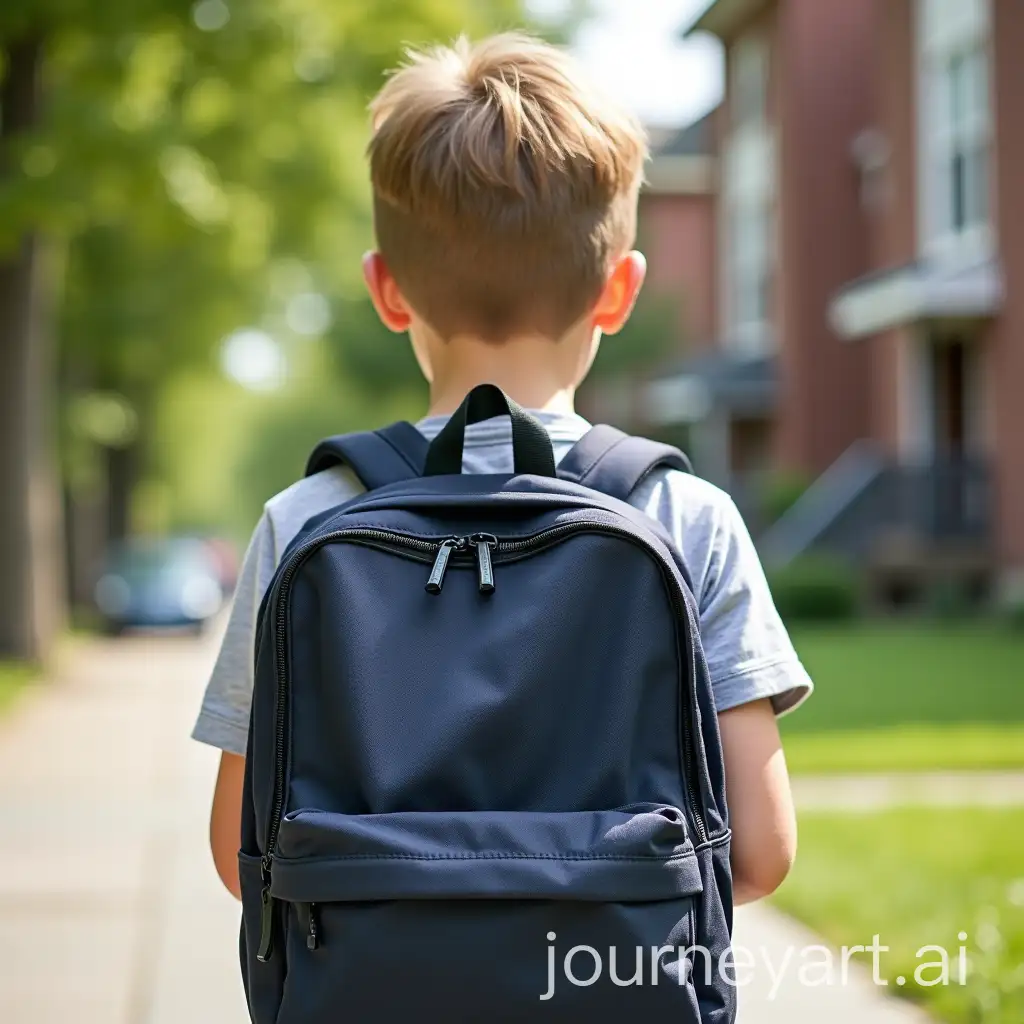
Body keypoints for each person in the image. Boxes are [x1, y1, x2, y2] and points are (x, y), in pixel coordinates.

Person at [192, 32, 812, 908]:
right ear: (620, 291)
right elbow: (760, 851)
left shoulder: (306, 519)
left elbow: (239, 852)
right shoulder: (683, 515)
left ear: (386, 289)